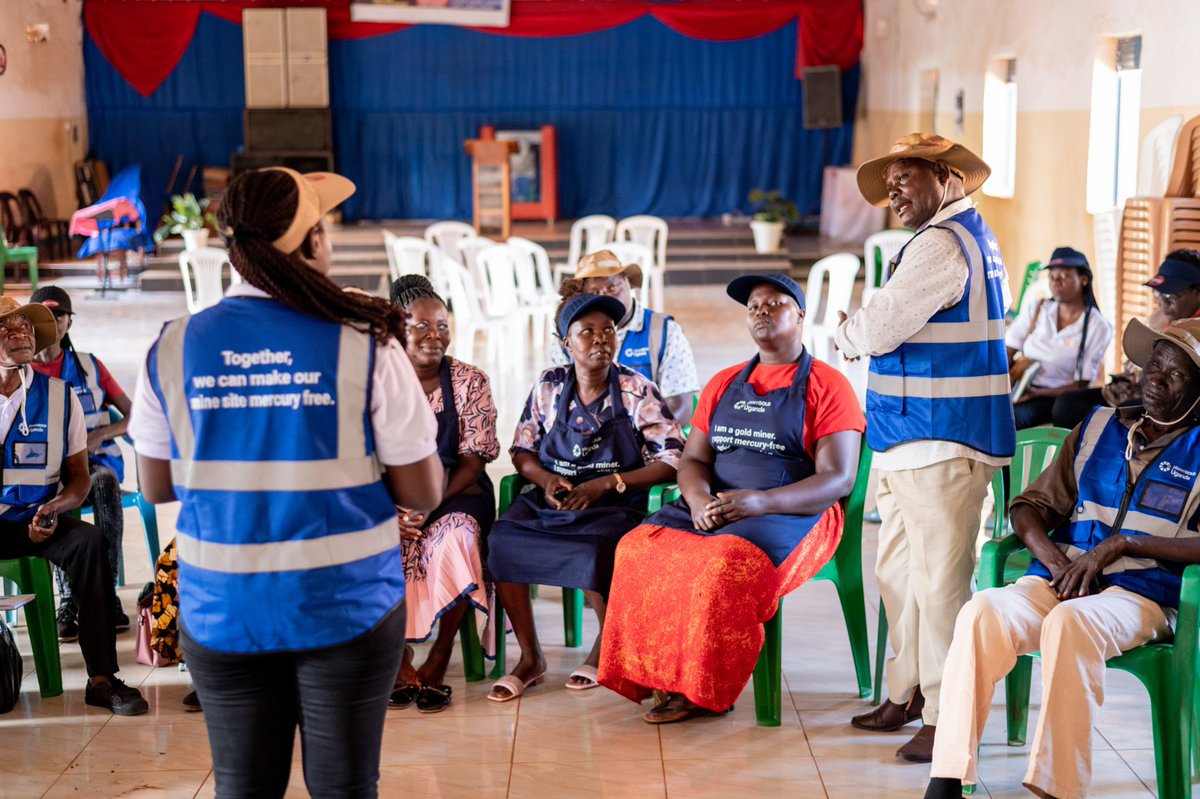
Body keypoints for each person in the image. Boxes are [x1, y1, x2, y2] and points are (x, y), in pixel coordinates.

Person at [129, 167, 443, 798]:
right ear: (312, 244)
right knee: (344, 787)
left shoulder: (173, 346)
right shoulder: (365, 343)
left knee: (244, 788)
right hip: (345, 607)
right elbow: (423, 494)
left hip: (222, 607)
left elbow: (156, 484)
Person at [925, 317, 1200, 799]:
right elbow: (1029, 507)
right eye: (1154, 364)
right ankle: (947, 777)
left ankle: (1059, 788)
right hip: (1061, 578)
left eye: (1175, 375)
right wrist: (1055, 564)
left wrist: (1123, 544)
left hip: (1143, 595)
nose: (1155, 379)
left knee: (1070, 624)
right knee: (981, 612)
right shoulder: (1098, 427)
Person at [599, 274, 864, 723]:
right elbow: (693, 459)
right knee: (636, 548)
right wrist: (699, 500)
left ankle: (703, 689)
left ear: (800, 315)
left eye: (774, 303)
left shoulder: (828, 385)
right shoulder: (725, 382)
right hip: (717, 502)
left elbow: (837, 478)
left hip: (796, 511)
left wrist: (762, 502)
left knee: (722, 566)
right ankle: (659, 675)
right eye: (754, 306)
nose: (761, 311)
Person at [836, 133, 1016, 762]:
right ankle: (905, 690)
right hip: (910, 437)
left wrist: (851, 332)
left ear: (944, 177)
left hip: (943, 439)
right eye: (888, 183)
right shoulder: (960, 235)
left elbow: (880, 325)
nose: (893, 192)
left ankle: (947, 718)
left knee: (940, 590)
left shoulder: (944, 243)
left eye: (904, 178)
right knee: (900, 578)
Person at [486, 284, 684, 702]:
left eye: (609, 329)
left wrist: (608, 484)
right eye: (587, 331)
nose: (600, 338)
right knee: (502, 541)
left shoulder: (635, 389)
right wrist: (546, 481)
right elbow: (522, 449)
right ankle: (530, 657)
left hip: (615, 504)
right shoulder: (549, 386)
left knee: (598, 549)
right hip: (554, 501)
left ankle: (604, 649)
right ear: (566, 343)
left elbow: (672, 458)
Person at [0, 296, 147, 715]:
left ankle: (102, 678)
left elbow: (80, 478)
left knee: (88, 542)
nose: (21, 334)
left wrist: (54, 509)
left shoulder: (61, 398)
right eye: (8, 328)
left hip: (37, 517)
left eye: (26, 328)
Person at [388, 274, 500, 714]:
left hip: (455, 492)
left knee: (457, 539)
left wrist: (427, 503)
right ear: (397, 328)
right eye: (421, 325)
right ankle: (397, 658)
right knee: (374, 541)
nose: (434, 336)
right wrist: (391, 510)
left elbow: (474, 462)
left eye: (442, 326)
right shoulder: (377, 383)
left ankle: (439, 657)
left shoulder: (469, 381)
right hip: (389, 498)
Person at [28, 285, 134, 639]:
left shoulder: (89, 366)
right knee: (55, 489)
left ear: (68, 323)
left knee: (103, 483)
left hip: (95, 464)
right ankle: (70, 600)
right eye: (42, 316)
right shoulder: (20, 372)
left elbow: (137, 416)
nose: (51, 323)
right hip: (45, 473)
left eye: (58, 316)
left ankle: (106, 596)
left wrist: (100, 435)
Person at [549, 249, 700, 423]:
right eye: (593, 293)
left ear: (628, 284)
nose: (605, 297)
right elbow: (557, 401)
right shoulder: (567, 339)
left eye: (612, 287)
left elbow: (680, 407)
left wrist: (634, 443)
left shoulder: (664, 332)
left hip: (647, 440)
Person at [1053, 248, 1200, 425]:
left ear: (1197, 293)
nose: (1163, 302)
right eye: (1158, 294)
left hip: (1170, 401)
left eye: (1170, 295)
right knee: (1066, 404)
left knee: (1119, 417)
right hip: (1132, 389)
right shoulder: (1159, 317)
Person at [1006, 248, 1113, 430]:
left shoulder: (1097, 326)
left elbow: (1081, 384)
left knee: (1012, 419)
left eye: (1064, 276)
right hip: (1021, 388)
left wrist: (1037, 394)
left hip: (1058, 398)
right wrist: (1004, 381)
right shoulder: (1038, 309)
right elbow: (1007, 349)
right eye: (1052, 276)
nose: (1055, 281)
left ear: (1084, 280)